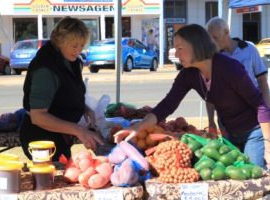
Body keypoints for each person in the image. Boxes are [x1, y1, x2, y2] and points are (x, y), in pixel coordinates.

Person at [114, 24, 270, 169]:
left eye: (180, 48)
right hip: (229, 134)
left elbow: (260, 105)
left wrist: (268, 145)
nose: (175, 53)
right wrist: (140, 126)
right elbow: (168, 104)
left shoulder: (230, 68)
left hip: (253, 133)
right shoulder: (188, 74)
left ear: (197, 46)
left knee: (255, 179)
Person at [19, 17, 104, 162]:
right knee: (50, 180)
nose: (78, 51)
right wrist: (78, 130)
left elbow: (66, 93)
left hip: (60, 135)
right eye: (74, 46)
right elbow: (38, 116)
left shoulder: (71, 61)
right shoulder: (46, 68)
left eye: (81, 46)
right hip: (41, 138)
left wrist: (85, 108)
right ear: (60, 41)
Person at [205, 17, 270, 131]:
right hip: (226, 118)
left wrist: (267, 111)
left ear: (226, 32)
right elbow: (209, 92)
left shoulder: (249, 49)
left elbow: (262, 82)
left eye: (215, 38)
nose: (212, 43)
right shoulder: (213, 58)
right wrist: (211, 121)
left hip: (252, 112)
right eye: (210, 39)